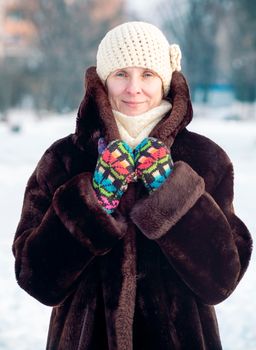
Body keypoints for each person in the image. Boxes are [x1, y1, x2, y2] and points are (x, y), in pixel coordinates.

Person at [13, 21, 252, 350]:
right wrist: (93, 202)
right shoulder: (64, 158)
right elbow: (35, 278)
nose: (133, 88)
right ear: (104, 80)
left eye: (148, 74)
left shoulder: (206, 159)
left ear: (165, 80)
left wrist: (173, 195)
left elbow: (222, 279)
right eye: (121, 74)